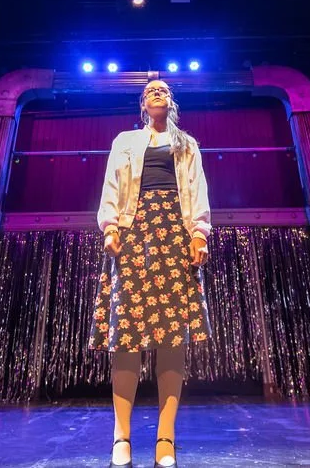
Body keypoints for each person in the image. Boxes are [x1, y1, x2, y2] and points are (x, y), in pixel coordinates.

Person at [90, 79, 213, 468]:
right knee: (126, 334)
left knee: (172, 335)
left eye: (164, 89)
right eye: (151, 91)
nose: (158, 91)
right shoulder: (124, 140)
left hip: (173, 234)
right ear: (143, 104)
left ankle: (166, 440)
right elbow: (112, 184)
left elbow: (198, 189)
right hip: (134, 231)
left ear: (171, 101)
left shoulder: (187, 144)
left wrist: (199, 234)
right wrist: (110, 227)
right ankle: (121, 436)